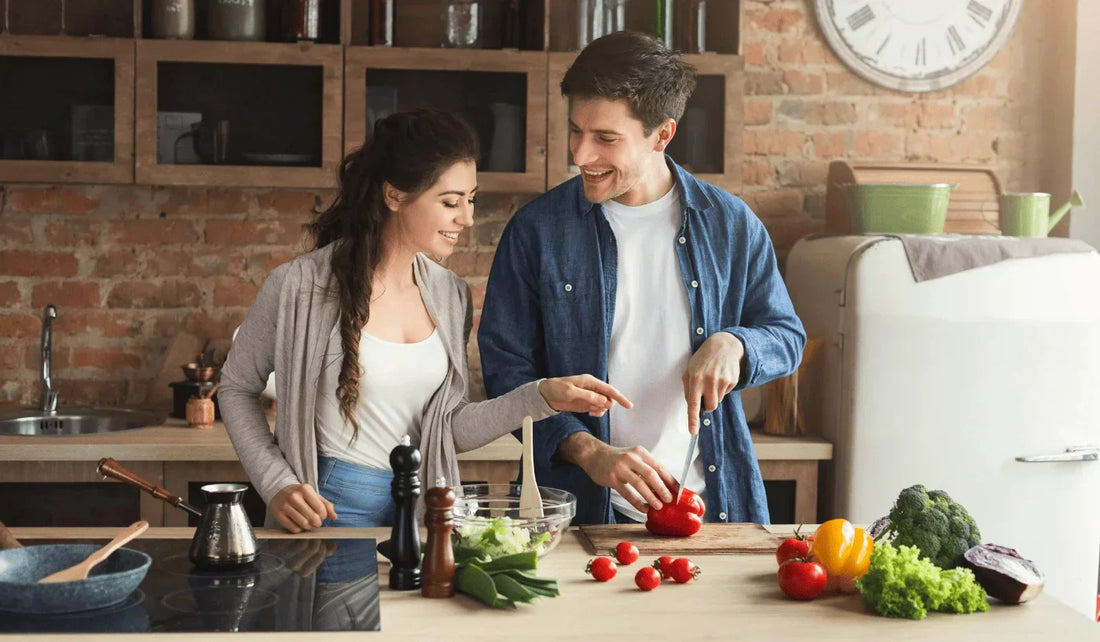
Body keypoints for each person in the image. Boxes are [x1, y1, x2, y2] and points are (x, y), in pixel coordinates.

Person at [219, 110, 631, 533]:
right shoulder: (299, 286)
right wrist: (275, 483)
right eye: (450, 202)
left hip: (421, 512)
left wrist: (541, 396)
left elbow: (446, 430)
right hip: (328, 510)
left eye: (470, 199)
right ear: (395, 196)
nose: (467, 218)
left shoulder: (450, 295)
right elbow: (235, 388)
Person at [478, 32, 806, 526]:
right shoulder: (536, 231)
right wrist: (589, 451)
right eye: (575, 131)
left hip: (708, 509)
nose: (581, 154)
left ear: (662, 135)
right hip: (578, 514)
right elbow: (507, 371)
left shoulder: (731, 225)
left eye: (606, 139)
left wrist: (735, 344)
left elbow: (786, 336)